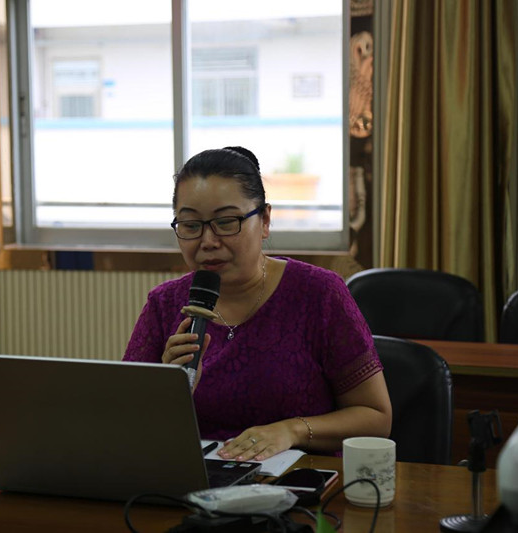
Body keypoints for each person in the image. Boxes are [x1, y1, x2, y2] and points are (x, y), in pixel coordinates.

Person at [123, 146, 391, 462]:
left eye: (226, 222)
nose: (208, 241)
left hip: (297, 479)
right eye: (191, 225)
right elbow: (124, 424)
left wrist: (292, 431)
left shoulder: (319, 293)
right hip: (197, 479)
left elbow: (376, 417)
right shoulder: (164, 304)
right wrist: (167, 394)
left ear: (264, 221)